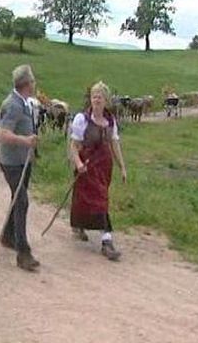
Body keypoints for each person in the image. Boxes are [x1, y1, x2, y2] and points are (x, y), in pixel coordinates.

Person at [68, 81, 127, 261]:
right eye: (94, 96)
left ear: (106, 100)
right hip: (87, 167)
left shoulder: (110, 121)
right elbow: (74, 145)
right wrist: (78, 163)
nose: (96, 100)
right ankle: (106, 240)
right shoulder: (82, 119)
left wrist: (122, 167)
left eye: (100, 96)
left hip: (103, 168)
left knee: (101, 199)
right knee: (87, 199)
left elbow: (115, 144)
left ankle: (88, 229)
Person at [0, 64, 40, 272]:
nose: (34, 84)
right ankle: (23, 253)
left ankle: (8, 236)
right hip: (12, 162)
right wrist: (25, 141)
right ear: (26, 83)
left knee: (17, 198)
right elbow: (3, 134)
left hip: (23, 161)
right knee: (21, 201)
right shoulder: (13, 105)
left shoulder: (23, 102)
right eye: (32, 81)